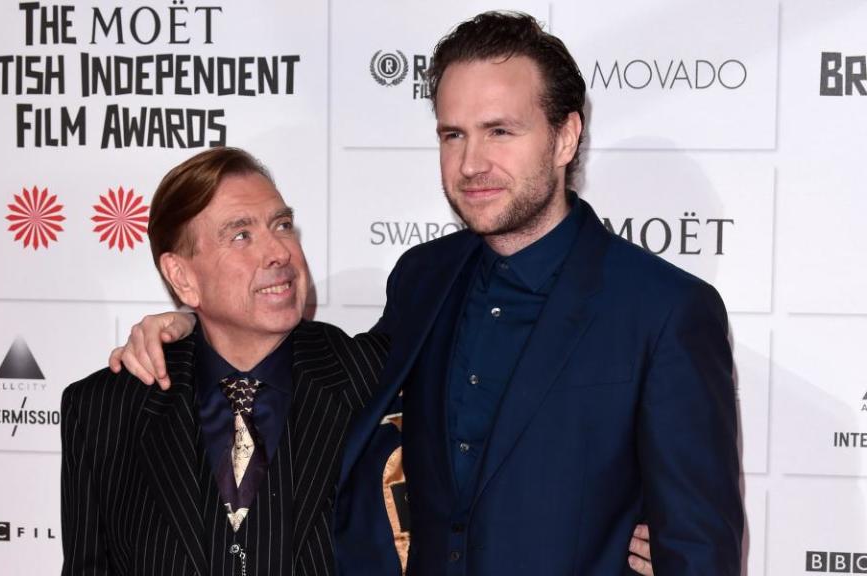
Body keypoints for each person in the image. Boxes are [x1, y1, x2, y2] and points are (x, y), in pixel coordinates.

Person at [112, 11, 741, 574]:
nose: (471, 163)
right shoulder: (424, 277)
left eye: (500, 132)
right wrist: (193, 326)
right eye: (453, 135)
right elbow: (320, 377)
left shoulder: (665, 311)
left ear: (566, 137)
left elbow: (698, 546)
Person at [61, 147, 389, 576]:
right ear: (182, 277)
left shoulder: (376, 379)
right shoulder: (104, 410)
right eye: (241, 235)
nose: (279, 252)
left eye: (283, 225)